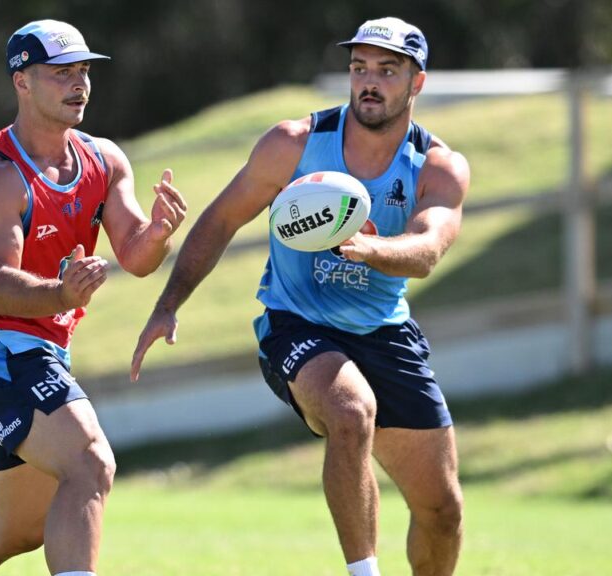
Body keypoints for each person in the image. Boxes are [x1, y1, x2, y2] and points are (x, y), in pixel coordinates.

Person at [131, 16, 468, 576]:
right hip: (296, 324)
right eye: (359, 67)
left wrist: (370, 251)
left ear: (417, 83)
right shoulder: (294, 144)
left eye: (388, 70)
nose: (369, 81)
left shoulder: (437, 166)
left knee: (443, 511)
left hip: (385, 331)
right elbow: (219, 221)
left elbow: (429, 249)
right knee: (351, 411)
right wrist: (168, 305)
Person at [0, 19, 187, 576]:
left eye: (85, 71)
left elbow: (137, 257)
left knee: (14, 531)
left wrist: (160, 233)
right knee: (91, 464)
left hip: (41, 352)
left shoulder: (103, 160)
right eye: (62, 73)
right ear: (22, 81)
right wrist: (61, 292)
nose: (79, 84)